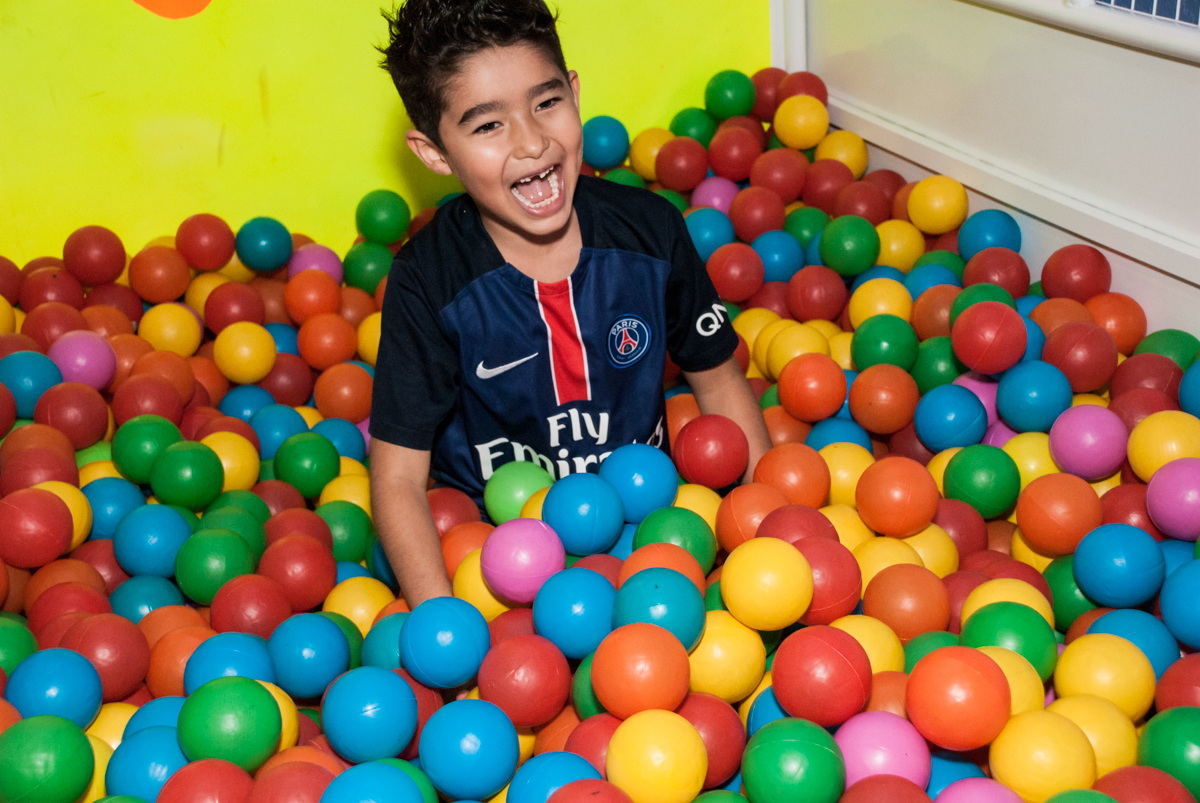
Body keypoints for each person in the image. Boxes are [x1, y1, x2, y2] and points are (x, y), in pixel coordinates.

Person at [370, 0, 772, 607]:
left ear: (575, 93)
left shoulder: (651, 232)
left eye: (546, 102)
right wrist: (440, 619)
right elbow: (398, 477)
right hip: (497, 552)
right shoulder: (427, 279)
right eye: (487, 126)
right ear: (434, 153)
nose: (532, 143)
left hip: (652, 525)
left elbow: (717, 382)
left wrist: (763, 543)